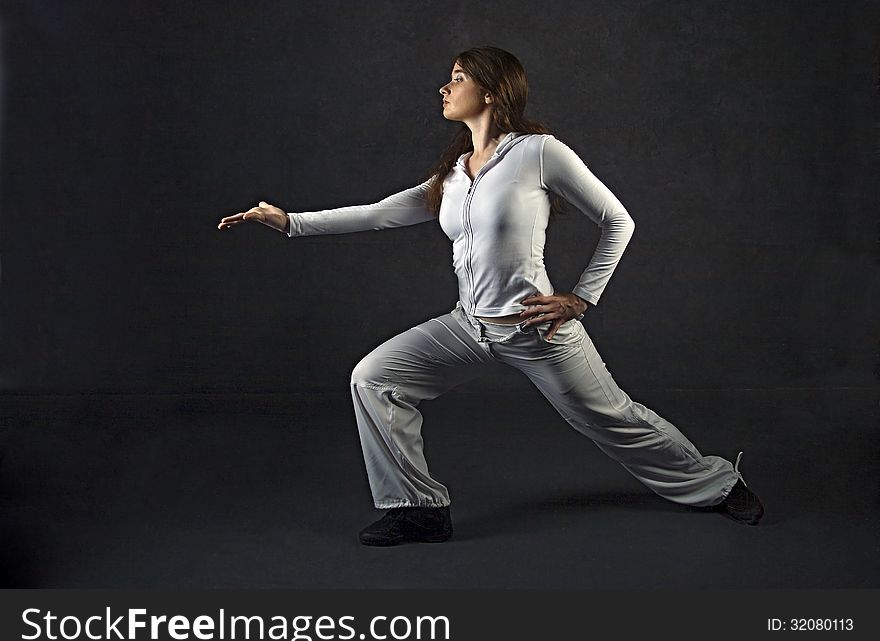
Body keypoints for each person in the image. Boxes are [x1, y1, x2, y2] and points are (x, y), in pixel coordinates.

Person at [217, 46, 764, 546]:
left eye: (457, 79)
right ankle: (417, 508)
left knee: (613, 418)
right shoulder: (453, 174)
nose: (444, 88)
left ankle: (715, 485)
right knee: (373, 377)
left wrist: (581, 298)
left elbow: (617, 220)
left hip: (535, 329)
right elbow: (382, 212)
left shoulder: (539, 154)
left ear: (491, 91)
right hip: (468, 327)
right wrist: (290, 222)